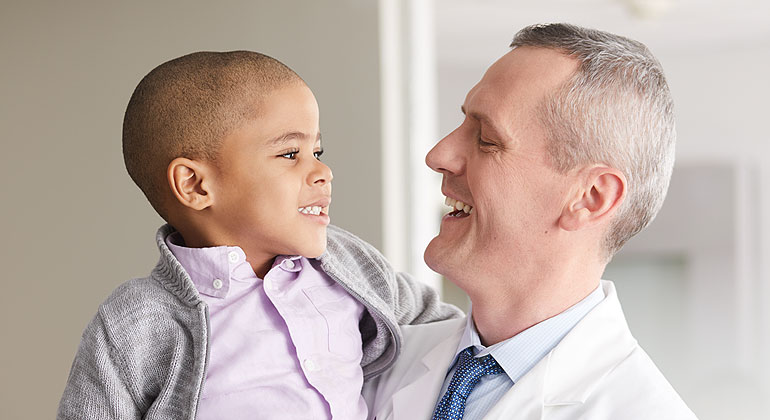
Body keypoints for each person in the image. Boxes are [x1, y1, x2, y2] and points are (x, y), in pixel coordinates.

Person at [57, 51, 461, 420]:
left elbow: (448, 333)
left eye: (316, 152)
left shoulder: (347, 263)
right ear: (195, 185)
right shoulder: (135, 321)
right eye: (290, 154)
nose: (323, 171)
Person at [363, 23, 697, 419]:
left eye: (486, 139)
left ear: (590, 198)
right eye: (463, 123)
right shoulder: (375, 358)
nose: (439, 154)